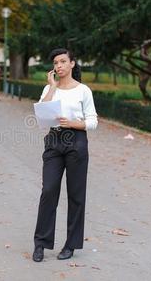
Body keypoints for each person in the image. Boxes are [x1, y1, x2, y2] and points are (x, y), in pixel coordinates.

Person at [32, 48, 98, 262]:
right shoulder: (49, 88)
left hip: (76, 141)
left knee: (76, 195)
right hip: (54, 140)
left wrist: (73, 123)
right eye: (56, 62)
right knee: (49, 190)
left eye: (62, 61)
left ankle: (71, 244)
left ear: (72, 64)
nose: (59, 65)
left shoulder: (83, 91)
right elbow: (42, 112)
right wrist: (52, 87)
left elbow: (93, 121)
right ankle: (40, 243)